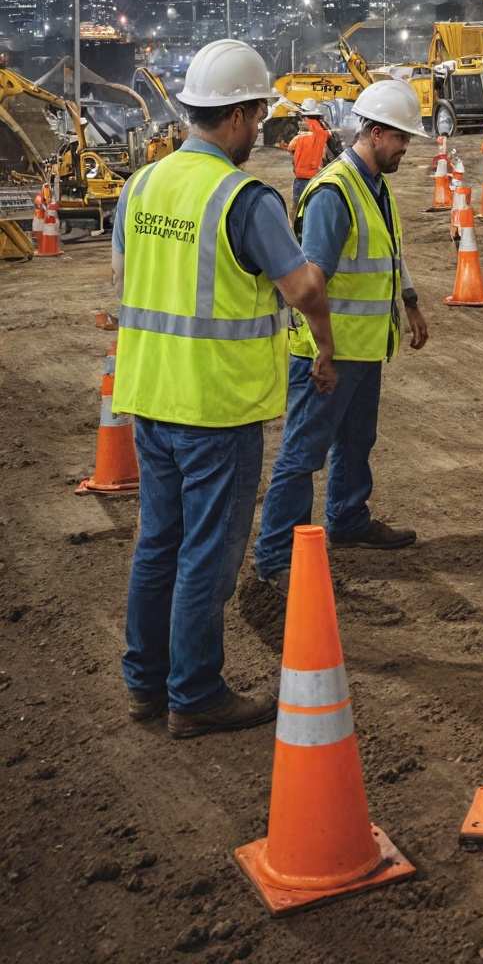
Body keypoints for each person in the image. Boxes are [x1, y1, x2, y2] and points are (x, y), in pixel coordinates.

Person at [112, 39, 336, 737]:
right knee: (207, 553)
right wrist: (325, 342)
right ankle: (195, 693)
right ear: (238, 115)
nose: (262, 128)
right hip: (215, 407)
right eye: (260, 115)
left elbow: (125, 278)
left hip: (149, 395)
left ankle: (144, 684)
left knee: (160, 543)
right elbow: (302, 285)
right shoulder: (243, 197)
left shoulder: (142, 184)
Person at [254, 78, 429, 586]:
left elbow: (392, 254)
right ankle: (276, 557)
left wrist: (411, 304)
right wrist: (324, 352)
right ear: (375, 133)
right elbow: (310, 284)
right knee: (303, 454)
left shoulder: (376, 187)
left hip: (364, 347)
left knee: (356, 441)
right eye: (401, 138)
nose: (405, 148)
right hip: (328, 355)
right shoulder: (334, 192)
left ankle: (348, 520)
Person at [283, 99, 339, 210]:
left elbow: (290, 149)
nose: (301, 120)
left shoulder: (299, 138)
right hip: (316, 179)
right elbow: (331, 139)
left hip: (301, 179)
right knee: (313, 208)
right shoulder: (323, 134)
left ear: (306, 117)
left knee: (297, 208)